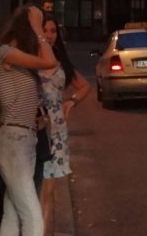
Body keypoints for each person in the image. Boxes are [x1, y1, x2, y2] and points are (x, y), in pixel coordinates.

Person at [0, 5, 57, 236]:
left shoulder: (18, 59)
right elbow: (50, 62)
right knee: (31, 214)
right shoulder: (6, 52)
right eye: (37, 32)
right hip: (13, 140)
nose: (43, 39)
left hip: (24, 138)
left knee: (13, 211)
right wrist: (38, 27)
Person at [39, 13, 90, 235]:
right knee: (31, 184)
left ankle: (43, 229)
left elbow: (84, 86)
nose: (50, 35)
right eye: (45, 30)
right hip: (35, 126)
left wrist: (71, 101)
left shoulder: (61, 60)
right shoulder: (30, 57)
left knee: (49, 186)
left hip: (56, 129)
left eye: (53, 31)